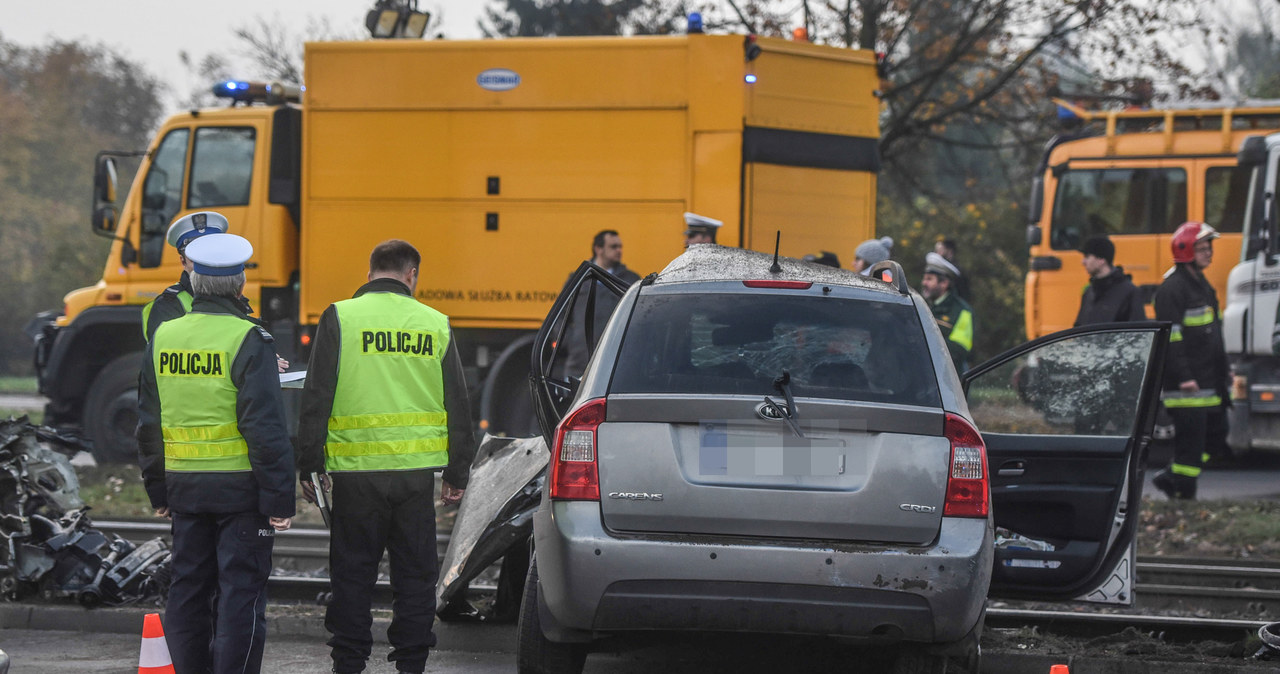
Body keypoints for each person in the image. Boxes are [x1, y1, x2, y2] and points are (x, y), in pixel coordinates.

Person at [296, 239, 476, 674]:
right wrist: (457, 470)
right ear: (411, 274)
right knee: (415, 578)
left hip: (356, 478)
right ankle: (411, 664)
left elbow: (316, 394)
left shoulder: (340, 317)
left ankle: (349, 663)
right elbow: (458, 401)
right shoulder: (434, 323)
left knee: (352, 576)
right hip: (414, 479)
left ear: (371, 270)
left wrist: (309, 463)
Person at [136, 232, 295, 674]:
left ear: (196, 280)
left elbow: (148, 423)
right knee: (240, 597)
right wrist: (279, 498)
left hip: (185, 487)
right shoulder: (250, 340)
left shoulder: (163, 337)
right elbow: (264, 427)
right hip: (240, 492)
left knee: (187, 592)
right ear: (240, 283)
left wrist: (158, 489)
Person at [1152, 221, 1230, 500]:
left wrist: (1226, 371)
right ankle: (1184, 496)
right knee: (1190, 447)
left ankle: (1172, 477)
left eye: (1209, 247)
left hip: (1209, 382)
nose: (1209, 253)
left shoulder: (1202, 285)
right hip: (1187, 386)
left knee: (1217, 437)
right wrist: (1184, 377)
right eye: (1202, 248)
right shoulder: (1172, 289)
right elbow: (1172, 339)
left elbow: (1213, 334)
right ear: (1185, 251)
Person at [561, 230, 642, 375]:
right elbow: (561, 315)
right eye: (613, 246)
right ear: (599, 249)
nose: (619, 250)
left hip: (616, 359)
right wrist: (570, 343)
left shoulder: (630, 279)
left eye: (620, 247)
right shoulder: (579, 278)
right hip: (580, 361)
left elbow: (641, 316)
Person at [142, 211, 228, 341]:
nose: (205, 262)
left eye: (209, 254)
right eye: (196, 258)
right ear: (183, 261)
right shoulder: (167, 306)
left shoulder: (234, 296)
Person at [1074, 234, 1145, 326]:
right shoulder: (1089, 292)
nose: (1083, 262)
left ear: (1101, 260)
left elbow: (1137, 331)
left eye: (1087, 257)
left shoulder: (1129, 292)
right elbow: (1079, 328)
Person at [921, 251, 975, 372]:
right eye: (924, 279)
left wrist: (922, 341)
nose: (924, 283)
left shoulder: (962, 311)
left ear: (944, 283)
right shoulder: (923, 306)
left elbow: (959, 349)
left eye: (929, 279)